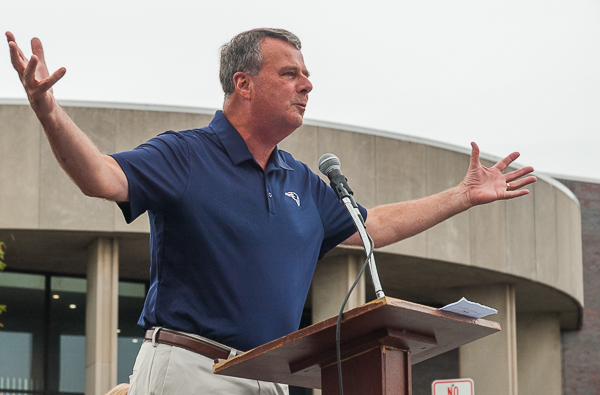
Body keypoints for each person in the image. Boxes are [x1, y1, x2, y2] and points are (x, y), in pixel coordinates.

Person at [6, 28, 536, 394]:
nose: (307, 84)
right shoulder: (186, 155)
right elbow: (101, 176)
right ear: (243, 83)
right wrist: (48, 110)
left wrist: (462, 195)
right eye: (290, 74)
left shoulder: (302, 181)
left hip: (274, 376)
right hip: (191, 370)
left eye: (306, 75)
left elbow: (373, 227)